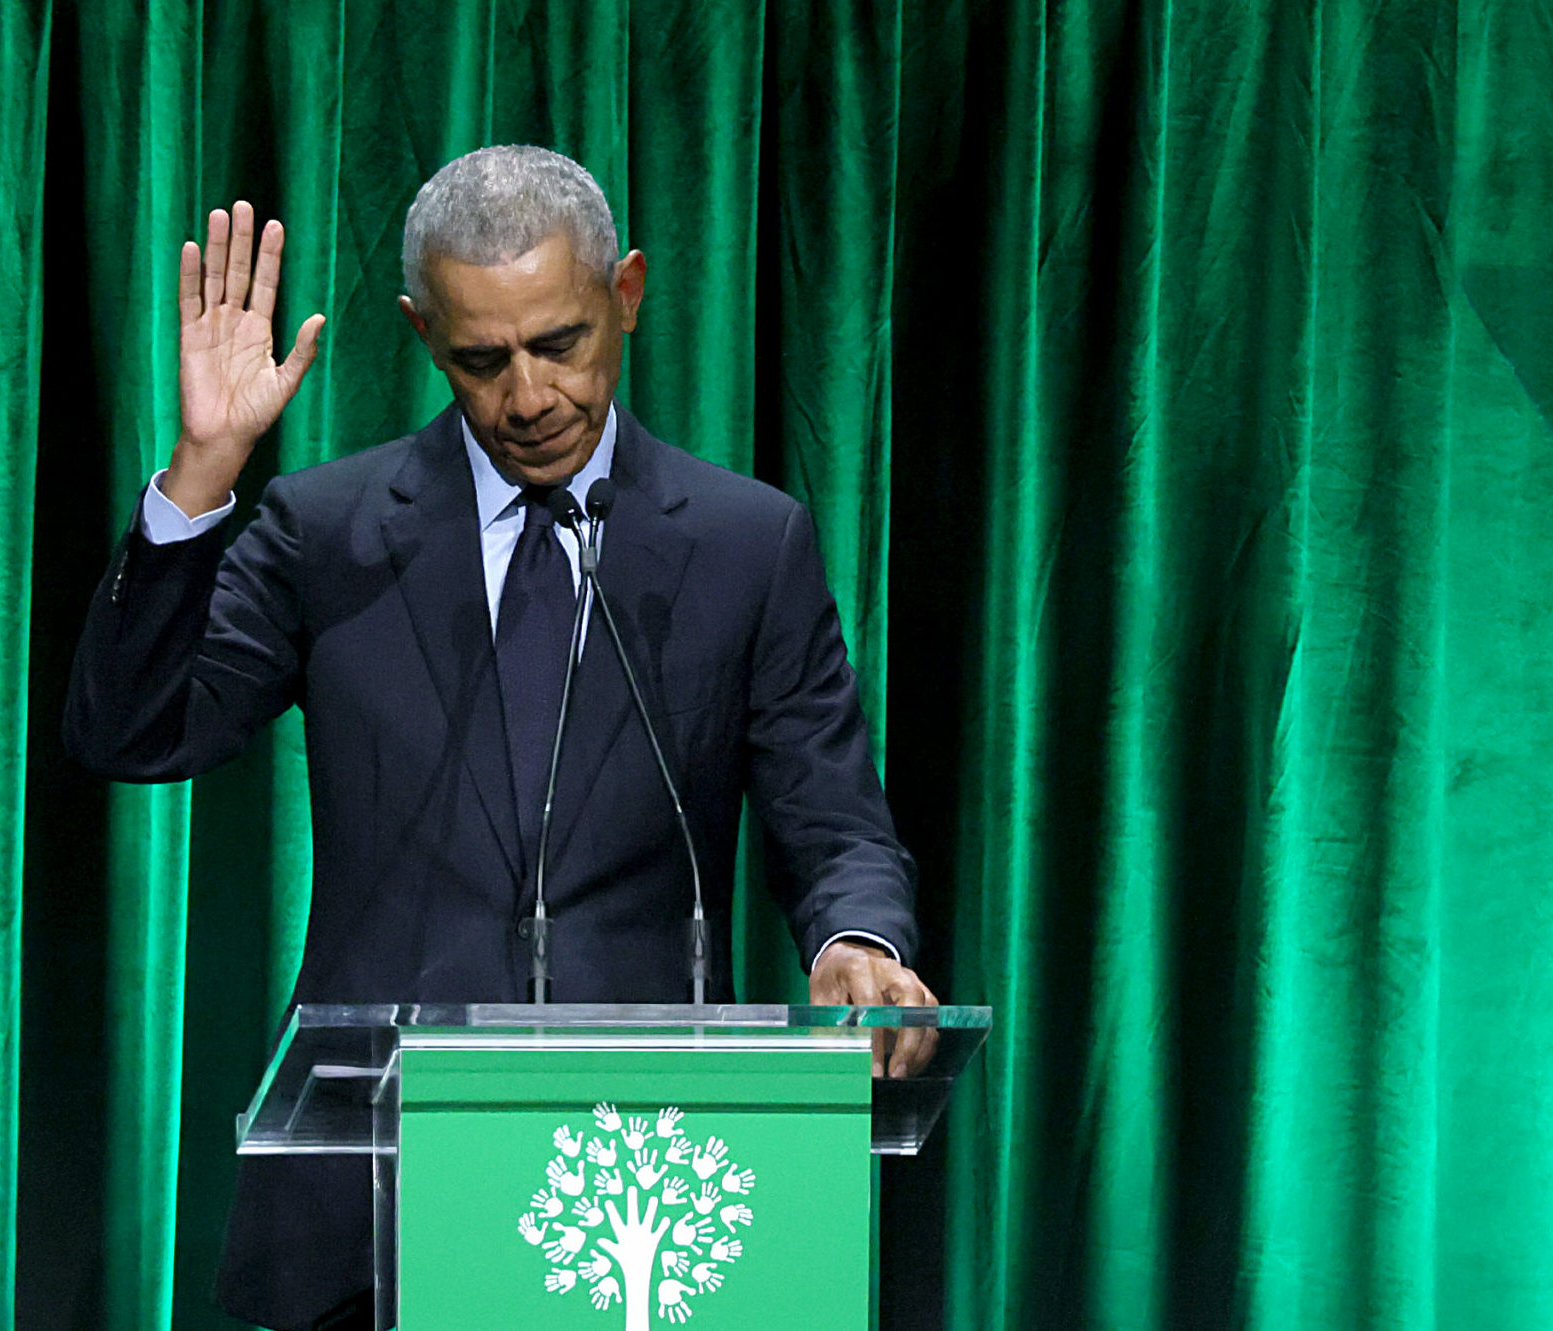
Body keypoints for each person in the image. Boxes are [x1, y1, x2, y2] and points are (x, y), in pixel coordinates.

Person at [65, 145, 936, 1331]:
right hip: (375, 1194)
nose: (528, 398)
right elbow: (131, 732)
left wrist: (856, 939)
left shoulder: (746, 543)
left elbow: (831, 815)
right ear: (426, 333)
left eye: (560, 343)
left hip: (650, 1197)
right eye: (482, 360)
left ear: (623, 294)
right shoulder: (328, 531)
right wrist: (205, 471)